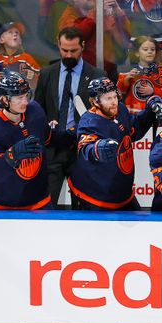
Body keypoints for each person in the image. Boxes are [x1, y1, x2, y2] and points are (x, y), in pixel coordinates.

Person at [33, 27, 106, 207]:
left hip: (81, 150)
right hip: (52, 149)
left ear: (82, 46)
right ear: (58, 45)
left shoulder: (97, 75)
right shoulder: (47, 74)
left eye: (73, 50)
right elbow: (38, 110)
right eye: (64, 50)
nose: (68, 55)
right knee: (45, 205)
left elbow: (103, 116)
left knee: (83, 206)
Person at [68, 77, 160, 210]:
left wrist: (149, 112)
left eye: (114, 97)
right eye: (108, 98)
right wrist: (97, 149)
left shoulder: (120, 109)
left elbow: (134, 130)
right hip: (94, 198)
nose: (114, 102)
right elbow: (85, 149)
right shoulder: (89, 122)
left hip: (123, 194)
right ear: (95, 102)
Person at [0, 71, 52, 210]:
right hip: (4, 203)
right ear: (4, 100)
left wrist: (72, 134)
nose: (25, 102)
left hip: (39, 200)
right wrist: (12, 155)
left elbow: (49, 138)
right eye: (19, 98)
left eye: (26, 96)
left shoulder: (35, 110)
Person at [0, 21, 40, 112]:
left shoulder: (27, 59)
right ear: (1, 39)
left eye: (17, 33)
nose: (15, 35)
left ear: (20, 41)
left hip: (21, 106)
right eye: (10, 32)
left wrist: (33, 77)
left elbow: (41, 78)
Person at [117, 36, 162, 113]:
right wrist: (126, 80)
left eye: (152, 49)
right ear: (137, 53)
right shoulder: (128, 71)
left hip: (155, 114)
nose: (150, 52)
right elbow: (119, 93)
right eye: (145, 49)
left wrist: (153, 91)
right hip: (133, 114)